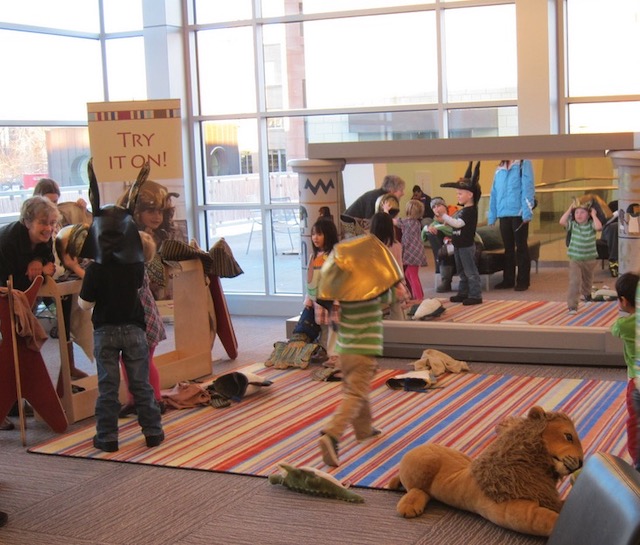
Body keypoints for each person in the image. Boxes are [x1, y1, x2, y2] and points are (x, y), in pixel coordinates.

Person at [78, 160, 163, 452]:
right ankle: (153, 432)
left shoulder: (94, 270)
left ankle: (108, 438)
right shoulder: (136, 267)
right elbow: (140, 291)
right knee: (140, 384)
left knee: (108, 388)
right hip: (134, 329)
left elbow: (84, 304)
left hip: (105, 331)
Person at [316, 234, 403, 467]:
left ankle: (364, 430)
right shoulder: (373, 294)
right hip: (363, 352)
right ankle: (332, 434)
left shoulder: (346, 296)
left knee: (356, 390)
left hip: (345, 352)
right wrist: (395, 285)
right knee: (355, 394)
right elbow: (395, 295)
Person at [0, 196, 58, 430]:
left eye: (52, 223)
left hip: (20, 299)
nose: (49, 228)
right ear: (27, 222)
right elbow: (7, 285)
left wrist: (41, 263)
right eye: (43, 223)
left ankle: (12, 403)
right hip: (5, 294)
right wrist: (35, 271)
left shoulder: (45, 239)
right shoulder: (8, 242)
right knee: (7, 351)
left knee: (19, 350)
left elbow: (50, 263)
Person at [118, 231, 167, 417]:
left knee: (145, 361)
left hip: (145, 324)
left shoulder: (135, 270)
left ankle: (156, 399)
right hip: (142, 323)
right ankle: (133, 399)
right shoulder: (134, 267)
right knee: (128, 361)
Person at [488, 159, 536, 291]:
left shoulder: (523, 163)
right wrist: (492, 215)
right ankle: (508, 280)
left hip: (519, 213)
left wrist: (527, 213)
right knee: (508, 249)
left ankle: (523, 281)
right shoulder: (499, 169)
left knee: (521, 247)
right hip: (504, 213)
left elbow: (528, 187)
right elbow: (494, 193)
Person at [440, 162, 483, 306]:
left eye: (460, 193)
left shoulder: (470, 211)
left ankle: (475, 295)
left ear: (470, 194)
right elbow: (455, 222)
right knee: (461, 271)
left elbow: (458, 224)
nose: (457, 196)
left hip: (466, 245)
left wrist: (445, 216)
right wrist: (446, 221)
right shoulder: (463, 210)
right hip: (458, 244)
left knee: (470, 271)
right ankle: (463, 292)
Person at [610, 272, 640, 471]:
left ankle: (638, 464)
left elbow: (614, 330)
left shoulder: (624, 325)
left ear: (624, 300)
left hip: (636, 383)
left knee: (636, 423)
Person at [303, 218, 340, 367]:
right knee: (324, 326)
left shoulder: (335, 255)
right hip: (319, 299)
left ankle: (335, 355)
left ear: (328, 234)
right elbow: (310, 280)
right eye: (313, 234)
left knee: (334, 327)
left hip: (332, 298)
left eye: (319, 234)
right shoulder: (314, 257)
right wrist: (309, 300)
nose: (315, 238)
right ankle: (325, 350)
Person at [559, 199, 603, 314]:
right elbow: (562, 221)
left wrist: (594, 215)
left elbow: (599, 227)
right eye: (577, 212)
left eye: (582, 212)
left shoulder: (591, 225)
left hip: (589, 259)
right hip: (575, 259)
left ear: (588, 215)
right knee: (575, 281)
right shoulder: (573, 225)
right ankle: (572, 306)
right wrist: (570, 209)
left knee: (587, 280)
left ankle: (587, 294)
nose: (579, 215)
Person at [370, 212, 410, 320]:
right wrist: (403, 286)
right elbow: (399, 268)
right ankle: (399, 327)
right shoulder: (396, 245)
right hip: (393, 286)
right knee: (397, 308)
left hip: (375, 288)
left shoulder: (370, 246)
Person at [395, 199, 427, 300]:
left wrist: (386, 210)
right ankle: (418, 295)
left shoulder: (406, 222)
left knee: (412, 275)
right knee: (409, 273)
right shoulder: (416, 222)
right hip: (417, 252)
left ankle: (419, 298)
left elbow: (393, 221)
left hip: (412, 253)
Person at [423, 197, 456, 293]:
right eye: (434, 207)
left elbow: (453, 230)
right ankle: (446, 281)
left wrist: (440, 227)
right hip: (448, 249)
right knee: (444, 251)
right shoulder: (433, 224)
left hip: (461, 244)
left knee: (447, 250)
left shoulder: (454, 217)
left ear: (444, 206)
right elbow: (423, 238)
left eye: (439, 206)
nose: (436, 209)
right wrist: (426, 229)